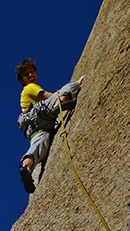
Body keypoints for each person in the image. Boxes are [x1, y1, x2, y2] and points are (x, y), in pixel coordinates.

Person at [15, 58, 84, 193]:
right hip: (40, 114)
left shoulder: (25, 93)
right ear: (22, 80)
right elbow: (49, 96)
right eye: (26, 74)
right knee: (67, 88)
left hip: (37, 129)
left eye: (32, 72)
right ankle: (59, 105)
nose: (30, 75)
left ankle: (26, 168)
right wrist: (77, 85)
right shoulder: (30, 88)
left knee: (39, 146)